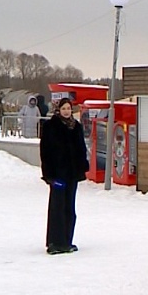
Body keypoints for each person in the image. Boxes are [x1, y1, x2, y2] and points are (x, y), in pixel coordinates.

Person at [39, 98, 89, 255]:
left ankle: (67, 241)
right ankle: (54, 242)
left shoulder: (76, 127)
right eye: (64, 108)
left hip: (72, 174)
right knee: (57, 208)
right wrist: (48, 175)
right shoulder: (50, 127)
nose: (66, 111)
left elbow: (81, 149)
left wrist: (82, 167)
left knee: (69, 208)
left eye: (69, 108)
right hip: (57, 175)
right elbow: (45, 152)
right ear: (58, 110)